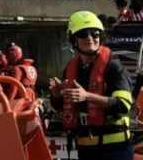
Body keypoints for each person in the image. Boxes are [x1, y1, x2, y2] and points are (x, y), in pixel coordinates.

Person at [49, 11, 133, 160]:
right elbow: (62, 109)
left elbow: (123, 105)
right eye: (83, 34)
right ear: (74, 40)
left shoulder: (114, 69)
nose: (90, 38)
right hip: (85, 150)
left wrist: (87, 96)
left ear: (101, 38)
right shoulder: (70, 69)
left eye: (95, 34)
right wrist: (56, 95)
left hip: (115, 151)